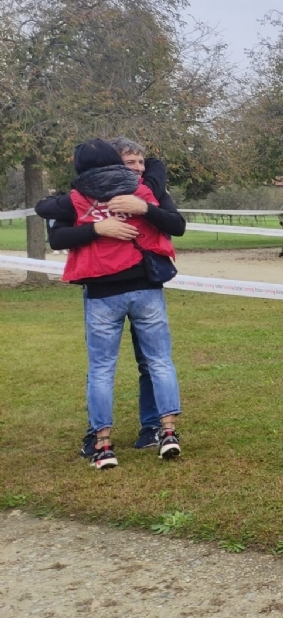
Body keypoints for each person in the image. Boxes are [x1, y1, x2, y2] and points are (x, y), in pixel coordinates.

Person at [36, 139, 186, 468]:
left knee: (103, 370)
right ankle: (168, 431)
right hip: (144, 287)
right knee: (160, 361)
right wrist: (99, 227)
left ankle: (103, 445)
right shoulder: (142, 190)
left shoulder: (77, 199)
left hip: (104, 291)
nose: (138, 167)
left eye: (141, 162)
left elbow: (44, 209)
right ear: (116, 162)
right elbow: (157, 184)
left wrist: (87, 213)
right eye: (130, 161)